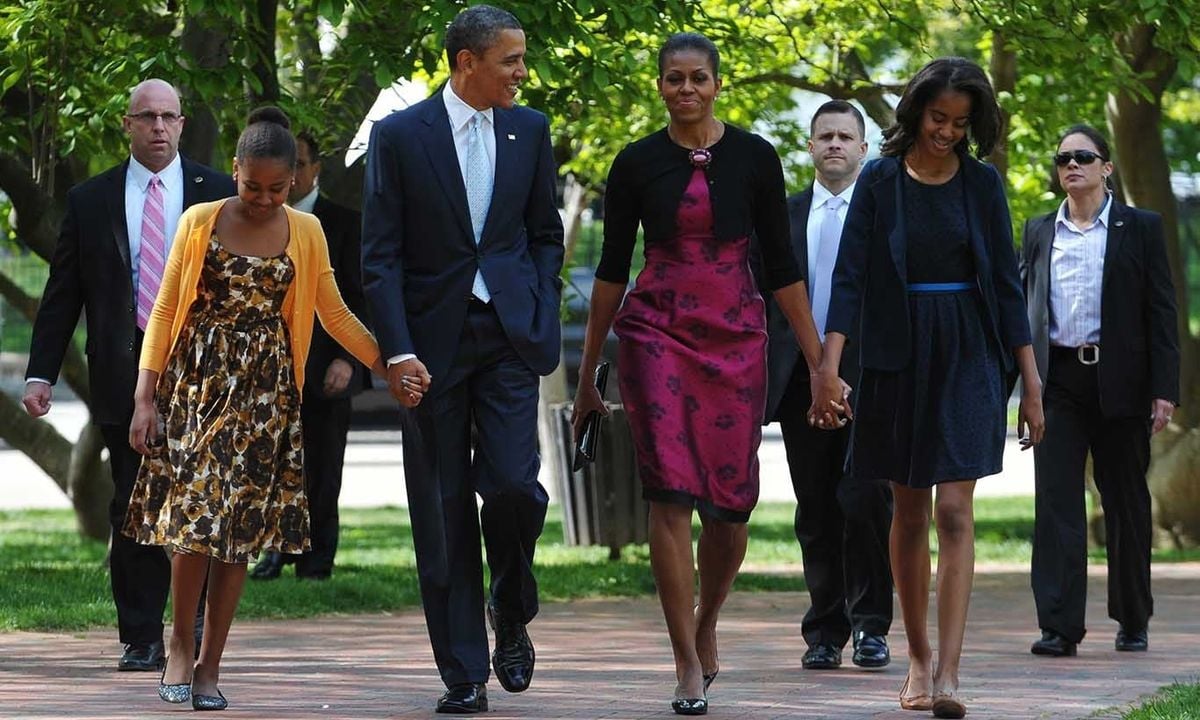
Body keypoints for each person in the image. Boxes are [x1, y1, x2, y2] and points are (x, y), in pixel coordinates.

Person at [572, 33, 838, 716]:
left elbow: (782, 269)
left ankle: (708, 618)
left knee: (729, 504)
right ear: (658, 85)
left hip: (736, 337)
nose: (685, 89)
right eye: (672, 79)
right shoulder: (633, 163)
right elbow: (610, 273)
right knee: (669, 495)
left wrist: (817, 365)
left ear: (719, 83)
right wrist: (586, 372)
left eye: (697, 78)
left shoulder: (755, 157)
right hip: (655, 329)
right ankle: (685, 660)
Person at [123, 107, 384, 711]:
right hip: (196, 387)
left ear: (295, 178)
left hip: (266, 396)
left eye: (276, 188)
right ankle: (180, 646)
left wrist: (388, 362)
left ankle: (212, 664)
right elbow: (164, 311)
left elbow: (334, 313)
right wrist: (145, 396)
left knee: (237, 534)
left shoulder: (307, 232)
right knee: (192, 527)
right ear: (234, 170)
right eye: (251, 186)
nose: (263, 199)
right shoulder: (198, 221)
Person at [811, 57, 1045, 719]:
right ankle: (915, 657)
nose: (947, 132)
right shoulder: (880, 180)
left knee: (956, 512)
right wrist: (829, 367)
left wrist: (1030, 384)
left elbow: (1006, 288)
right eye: (938, 118)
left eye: (961, 123)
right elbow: (851, 278)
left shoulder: (982, 185)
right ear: (916, 111)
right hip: (894, 353)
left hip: (968, 351)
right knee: (908, 511)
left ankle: (949, 672)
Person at [360, 5, 564, 714]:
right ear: (466, 62)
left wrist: (537, 302)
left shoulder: (531, 130)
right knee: (443, 510)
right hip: (429, 349)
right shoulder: (398, 136)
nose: (520, 72)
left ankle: (510, 603)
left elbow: (545, 232)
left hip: (508, 334)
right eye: (510, 59)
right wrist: (398, 349)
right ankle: (464, 673)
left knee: (512, 486)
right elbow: (378, 255)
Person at [22, 78, 233, 672]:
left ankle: (189, 630)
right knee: (135, 503)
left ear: (183, 124)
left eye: (169, 117)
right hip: (121, 370)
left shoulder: (218, 194)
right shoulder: (91, 200)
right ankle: (140, 635)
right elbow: (63, 294)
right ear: (128, 124)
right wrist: (41, 373)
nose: (159, 127)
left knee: (200, 504)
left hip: (204, 374)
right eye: (147, 117)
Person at [1022, 125, 1179, 658]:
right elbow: (1027, 312)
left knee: (1126, 504)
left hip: (1123, 384)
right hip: (1058, 383)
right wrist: (1025, 387)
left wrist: (1164, 389)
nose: (1072, 165)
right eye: (1063, 158)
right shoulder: (1040, 230)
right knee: (1057, 504)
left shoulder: (1142, 228)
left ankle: (1133, 617)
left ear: (1106, 167)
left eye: (1083, 157)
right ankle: (1059, 626)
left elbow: (1162, 313)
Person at [760, 100, 894, 672]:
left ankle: (871, 629)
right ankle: (824, 631)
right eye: (825, 136)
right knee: (815, 506)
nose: (835, 144)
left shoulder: (887, 215)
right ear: (810, 147)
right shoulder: (781, 217)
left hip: (870, 379)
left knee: (865, 500)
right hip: (798, 381)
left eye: (846, 137)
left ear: (864, 149)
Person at [250, 130, 369, 582]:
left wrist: (348, 358)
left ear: (316, 168)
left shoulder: (343, 223)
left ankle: (317, 562)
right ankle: (275, 551)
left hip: (325, 368)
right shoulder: (257, 220)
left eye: (299, 163)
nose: (292, 172)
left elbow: (358, 298)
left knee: (321, 467)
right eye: (286, 163)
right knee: (273, 465)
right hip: (267, 369)